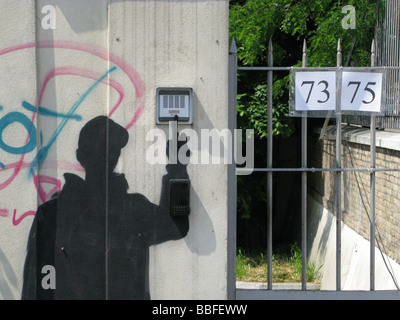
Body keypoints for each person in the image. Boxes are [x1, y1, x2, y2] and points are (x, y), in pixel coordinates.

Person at [22, 116, 190, 299]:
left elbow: (175, 226)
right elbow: (36, 286)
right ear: (81, 156)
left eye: (113, 150)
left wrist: (177, 170)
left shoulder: (133, 209)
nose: (108, 156)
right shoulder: (52, 215)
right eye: (101, 149)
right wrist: (177, 170)